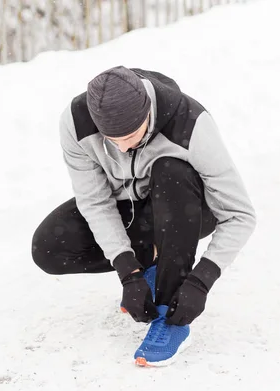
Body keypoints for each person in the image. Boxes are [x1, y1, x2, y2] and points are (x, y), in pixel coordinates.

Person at [31, 66, 256, 367]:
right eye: (112, 140)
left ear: (148, 114)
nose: (122, 147)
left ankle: (170, 316)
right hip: (132, 208)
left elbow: (240, 214)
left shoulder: (190, 124)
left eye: (130, 136)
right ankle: (150, 263)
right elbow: (95, 202)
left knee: (172, 170)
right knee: (49, 248)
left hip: (188, 207)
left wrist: (200, 281)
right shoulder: (76, 123)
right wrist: (128, 271)